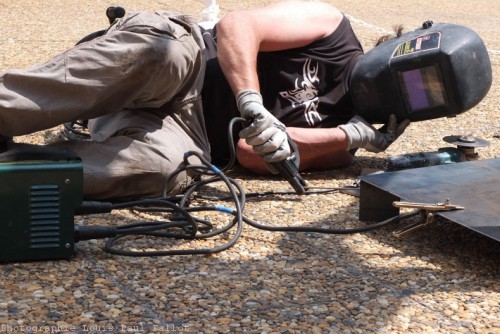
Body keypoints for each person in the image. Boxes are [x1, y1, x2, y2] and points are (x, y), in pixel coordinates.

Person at [0, 0, 409, 200]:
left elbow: (250, 153)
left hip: (185, 132)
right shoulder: (331, 28)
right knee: (163, 54)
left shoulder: (344, 142)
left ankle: (11, 170)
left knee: (168, 172)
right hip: (189, 58)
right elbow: (237, 25)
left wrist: (351, 136)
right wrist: (251, 101)